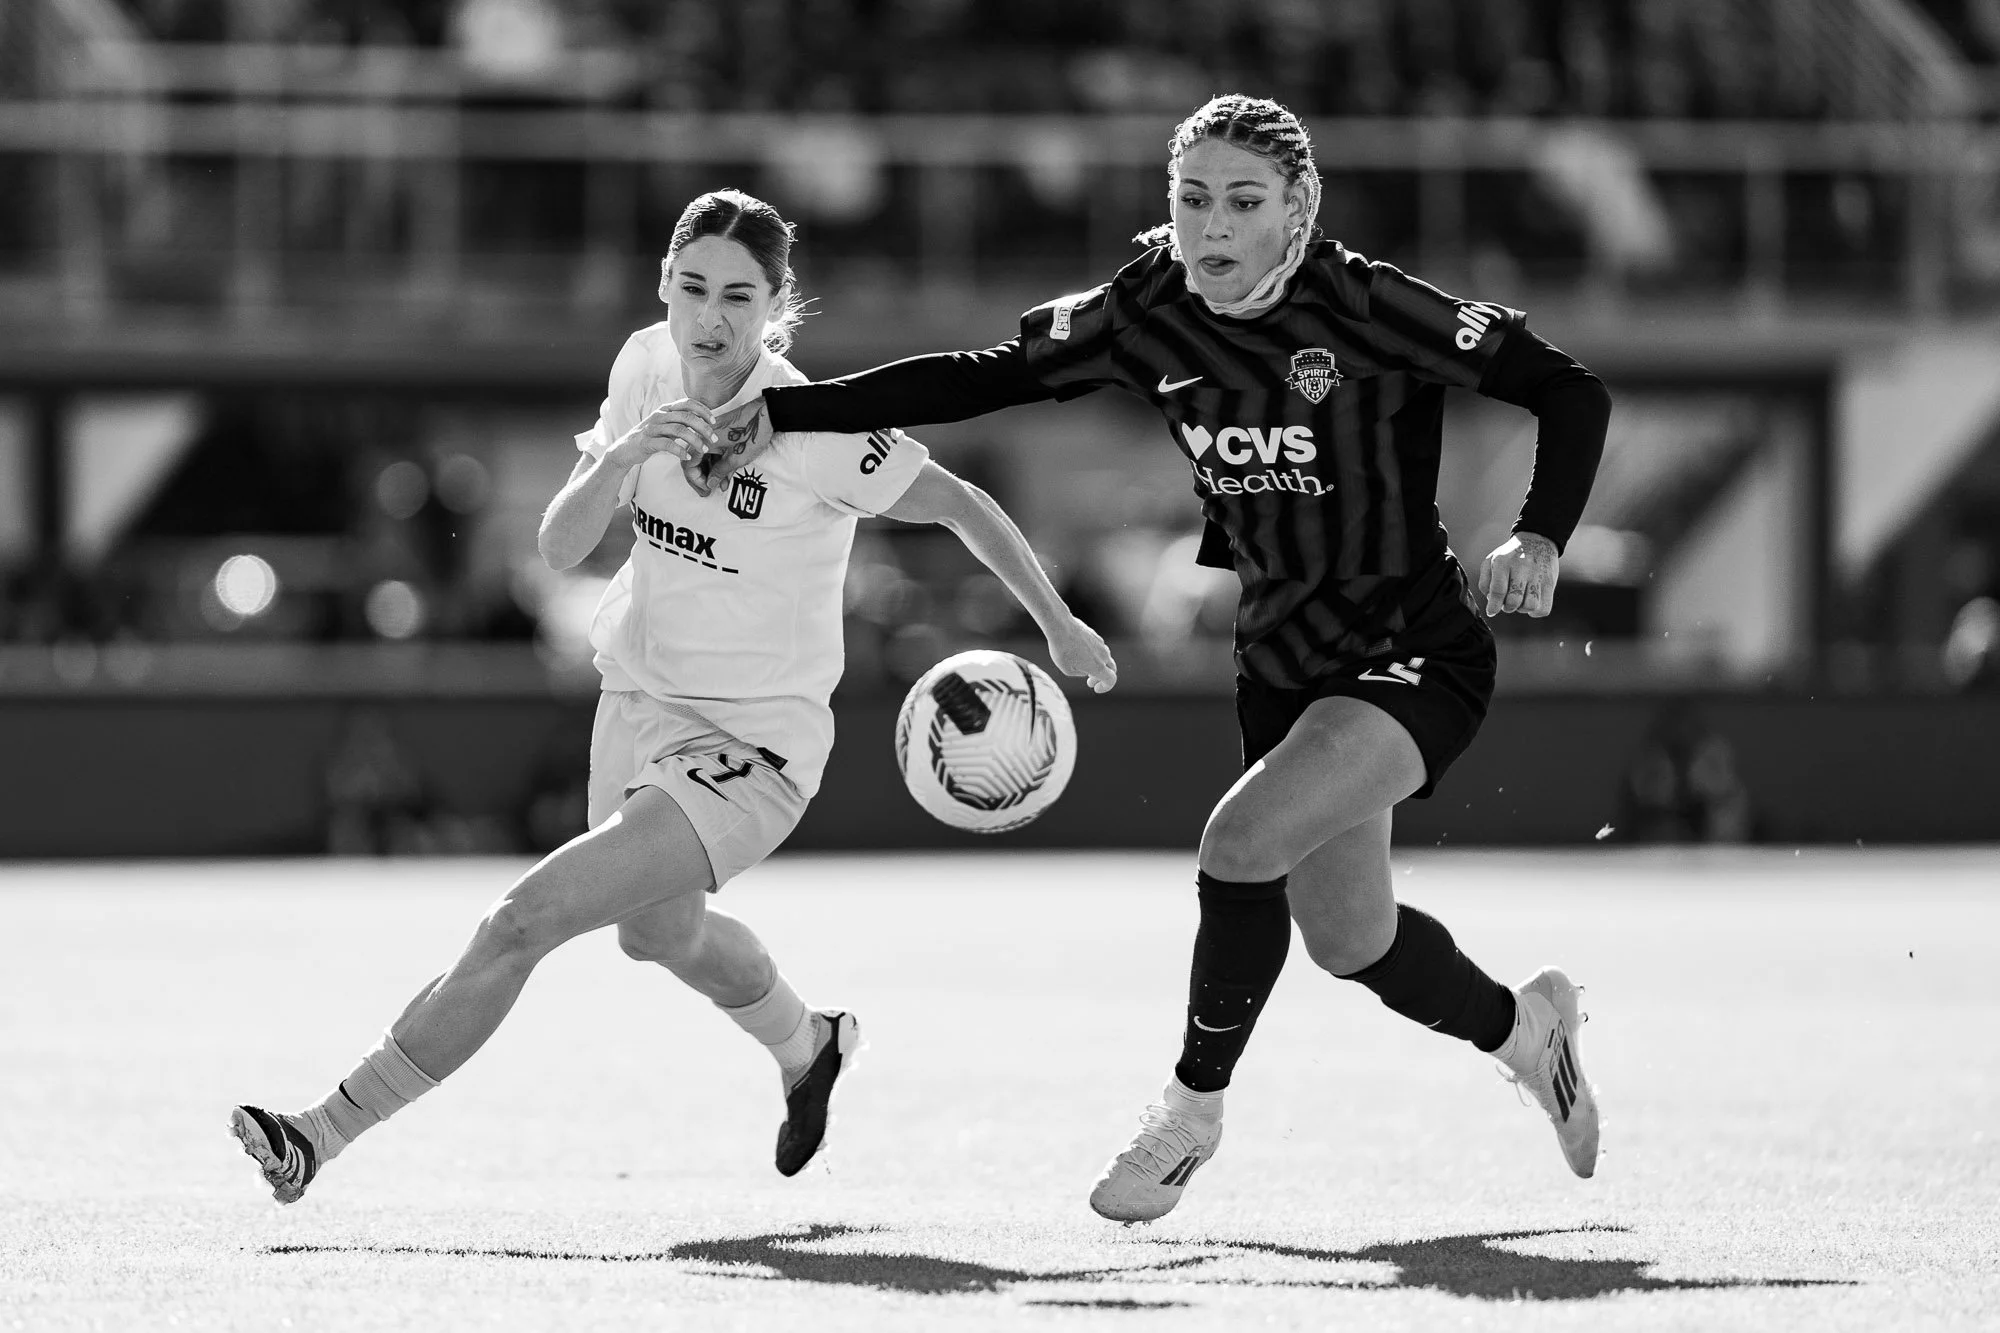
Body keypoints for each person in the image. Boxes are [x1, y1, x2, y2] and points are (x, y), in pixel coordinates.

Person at [694, 95, 1612, 1223]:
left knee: (1236, 843)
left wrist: (1538, 532)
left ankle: (1188, 1114)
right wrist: (792, 413)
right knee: (1349, 938)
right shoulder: (1146, 310)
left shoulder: (1367, 303)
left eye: (1240, 202)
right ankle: (1526, 1029)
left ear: (1297, 209)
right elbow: (980, 377)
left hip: (1413, 648)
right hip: (1280, 656)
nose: (1211, 226)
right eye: (1189, 201)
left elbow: (1565, 388)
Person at [228, 189, 1116, 1204]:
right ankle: (807, 1041)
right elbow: (558, 546)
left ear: (777, 307)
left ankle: (319, 1132)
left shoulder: (816, 432)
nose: (710, 317)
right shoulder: (643, 365)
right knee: (657, 935)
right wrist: (622, 455)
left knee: (524, 918)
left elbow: (960, 502)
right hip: (637, 699)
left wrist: (1055, 623)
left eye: (739, 296)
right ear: (663, 284)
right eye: (692, 287)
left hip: (755, 748)